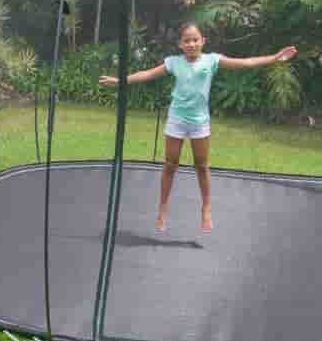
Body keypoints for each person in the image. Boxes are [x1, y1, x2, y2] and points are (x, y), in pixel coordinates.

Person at [99, 23, 297, 232]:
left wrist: (274, 58)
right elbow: (146, 74)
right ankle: (163, 209)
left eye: (195, 40)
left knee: (202, 166)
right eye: (187, 40)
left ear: (203, 41)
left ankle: (206, 209)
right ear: (180, 44)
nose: (191, 44)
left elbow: (246, 63)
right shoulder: (174, 63)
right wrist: (119, 81)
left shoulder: (212, 60)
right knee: (169, 165)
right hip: (177, 120)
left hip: (199, 122)